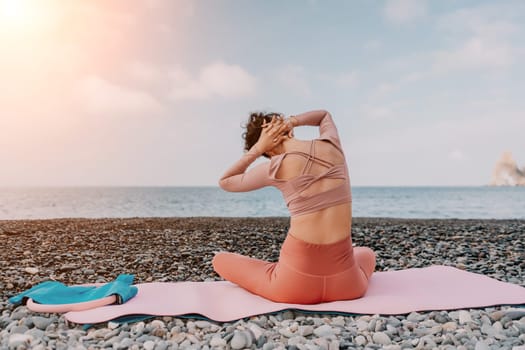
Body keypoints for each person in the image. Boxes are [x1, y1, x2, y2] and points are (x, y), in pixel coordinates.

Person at [212, 110, 376, 304]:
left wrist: (257, 149)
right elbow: (324, 115)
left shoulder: (274, 166)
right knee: (366, 253)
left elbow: (226, 181)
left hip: (293, 287)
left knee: (219, 259)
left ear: (267, 149)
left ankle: (281, 271)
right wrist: (290, 122)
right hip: (348, 286)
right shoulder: (332, 145)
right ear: (289, 132)